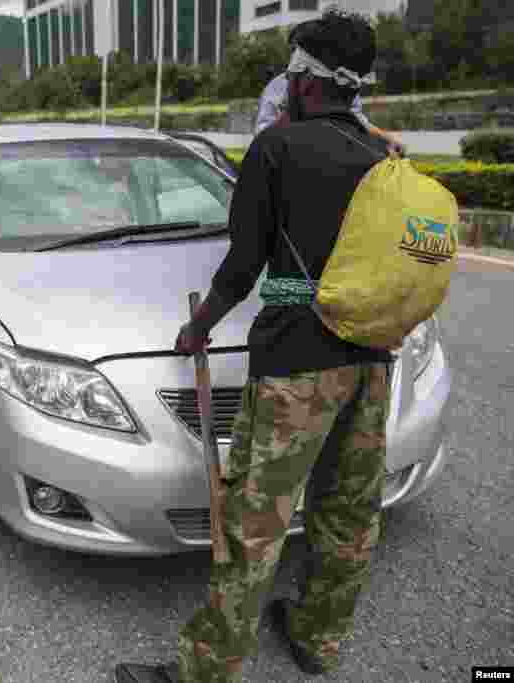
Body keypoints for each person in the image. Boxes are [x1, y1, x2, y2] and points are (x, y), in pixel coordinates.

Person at [116, 9, 395, 682]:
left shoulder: (277, 149)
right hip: (373, 364)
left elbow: (243, 265)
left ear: (304, 78)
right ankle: (316, 638)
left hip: (299, 364)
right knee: (347, 515)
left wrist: (200, 326)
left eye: (290, 70)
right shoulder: (382, 157)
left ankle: (205, 670)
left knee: (253, 524)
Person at [254, 20, 406, 156]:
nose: (297, 54)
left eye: (300, 49)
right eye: (294, 49)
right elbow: (263, 132)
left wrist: (385, 137)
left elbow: (355, 118)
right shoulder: (276, 88)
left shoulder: (344, 80)